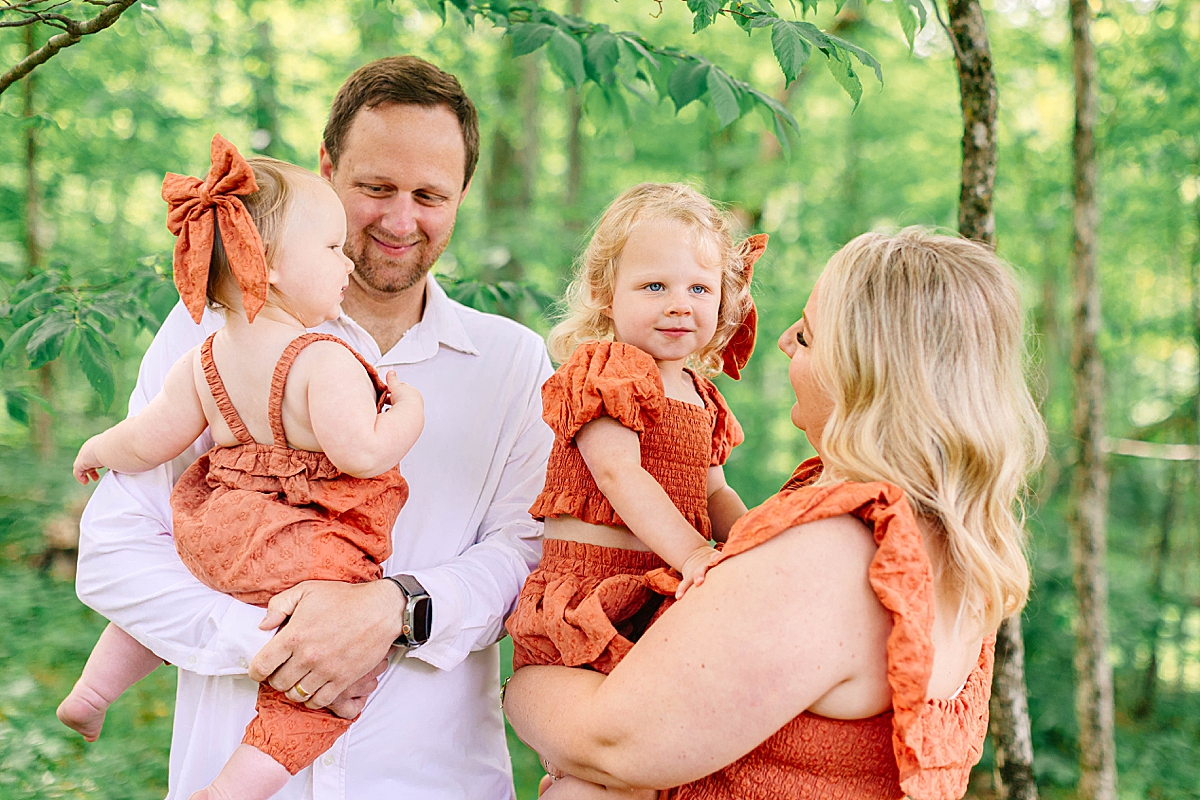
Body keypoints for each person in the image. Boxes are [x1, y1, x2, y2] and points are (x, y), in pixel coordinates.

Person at [75, 56, 554, 799]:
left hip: (431, 783)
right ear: (326, 169)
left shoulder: (512, 363)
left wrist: (396, 610)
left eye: (430, 195)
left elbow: (526, 555)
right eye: (375, 188)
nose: (401, 221)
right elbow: (115, 549)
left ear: (463, 195)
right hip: (225, 769)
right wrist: (276, 641)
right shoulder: (209, 332)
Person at [503, 228, 1048, 799]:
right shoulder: (953, 543)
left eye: (808, 336)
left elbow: (612, 745)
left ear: (860, 370)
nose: (784, 342)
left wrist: (525, 686)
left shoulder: (833, 554)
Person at [61, 137, 424, 800]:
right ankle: (230, 790)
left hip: (214, 532)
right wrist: (408, 412)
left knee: (199, 587)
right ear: (275, 269)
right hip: (300, 553)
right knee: (327, 674)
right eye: (332, 249)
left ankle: (93, 690)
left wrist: (96, 450)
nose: (346, 264)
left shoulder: (205, 356)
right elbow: (363, 454)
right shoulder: (325, 357)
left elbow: (148, 440)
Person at [506, 183, 763, 685]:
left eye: (699, 289)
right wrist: (694, 553)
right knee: (593, 719)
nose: (679, 305)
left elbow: (715, 492)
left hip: (664, 588)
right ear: (605, 293)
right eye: (654, 287)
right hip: (595, 589)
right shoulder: (610, 369)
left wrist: (752, 547)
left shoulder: (701, 393)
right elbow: (616, 472)